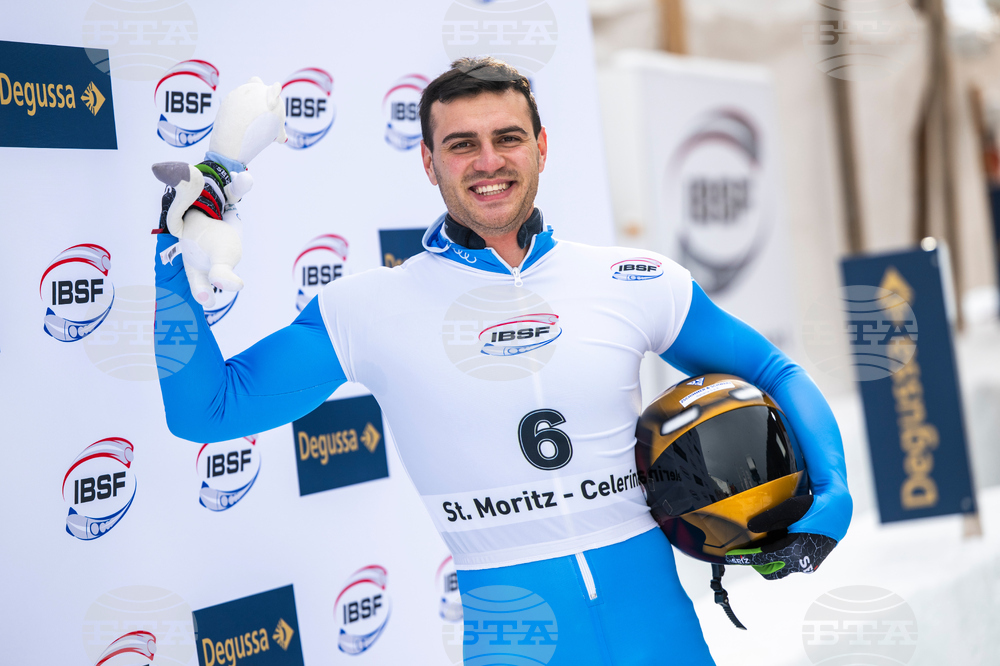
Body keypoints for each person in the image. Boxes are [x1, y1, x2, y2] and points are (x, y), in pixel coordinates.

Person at [154, 57, 852, 665]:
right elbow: (207, 411)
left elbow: (775, 373)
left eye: (507, 138)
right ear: (428, 161)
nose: (489, 161)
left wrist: (834, 501)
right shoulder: (365, 309)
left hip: (664, 638)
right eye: (462, 145)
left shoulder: (632, 279)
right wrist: (169, 258)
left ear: (541, 148)